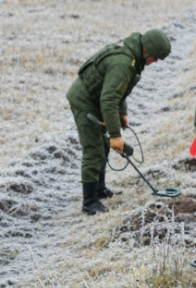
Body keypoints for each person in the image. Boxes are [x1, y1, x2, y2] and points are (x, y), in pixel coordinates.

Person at [67, 29, 172, 215]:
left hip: (97, 98)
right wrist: (115, 135)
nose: (154, 62)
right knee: (94, 148)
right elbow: (109, 99)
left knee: (103, 146)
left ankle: (100, 188)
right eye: (155, 58)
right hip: (85, 100)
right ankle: (89, 202)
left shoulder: (133, 56)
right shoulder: (124, 62)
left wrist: (122, 113)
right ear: (147, 50)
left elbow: (118, 90)